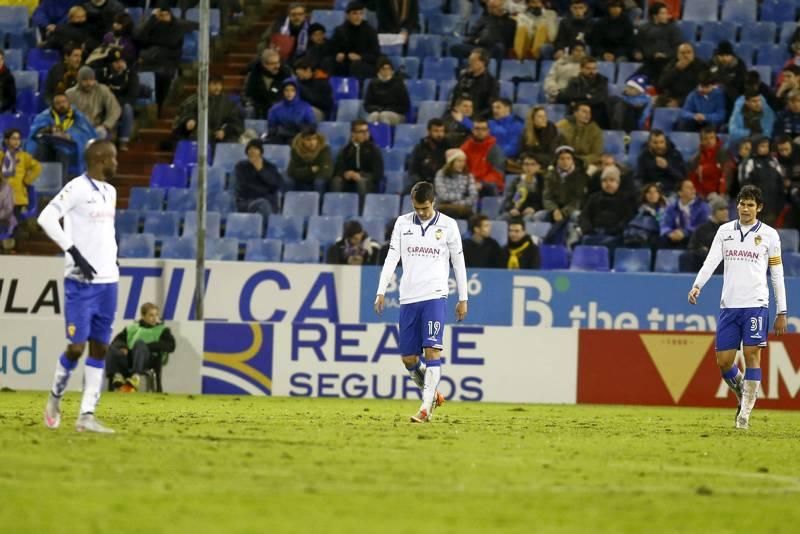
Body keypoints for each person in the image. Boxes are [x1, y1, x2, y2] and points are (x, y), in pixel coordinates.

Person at [688, 185, 788, 430]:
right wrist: (697, 285)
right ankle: (744, 390)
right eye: (742, 204)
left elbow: (777, 274)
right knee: (724, 362)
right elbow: (711, 260)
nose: (745, 208)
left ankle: (744, 416)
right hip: (729, 305)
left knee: (752, 354)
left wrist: (781, 311)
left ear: (759, 208)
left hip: (756, 304)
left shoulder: (769, 235)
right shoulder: (725, 231)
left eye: (750, 205)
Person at [39, 140, 120, 433]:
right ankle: (55, 398)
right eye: (113, 158)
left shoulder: (110, 192)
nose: (116, 163)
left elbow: (105, 233)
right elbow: (46, 218)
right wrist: (73, 252)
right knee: (76, 347)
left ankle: (86, 414)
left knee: (100, 348)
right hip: (81, 283)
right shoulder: (77, 188)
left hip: (108, 281)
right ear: (100, 158)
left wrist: (112, 259)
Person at [374, 181, 468, 423]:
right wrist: (381, 291)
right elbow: (392, 257)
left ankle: (425, 409)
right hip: (408, 297)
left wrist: (463, 297)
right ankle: (432, 392)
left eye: (425, 208)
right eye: (417, 208)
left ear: (433, 202)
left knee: (432, 351)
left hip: (435, 295)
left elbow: (458, 263)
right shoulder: (402, 223)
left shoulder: (448, 225)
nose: (422, 213)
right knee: (409, 359)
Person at [106, 302, 175, 392]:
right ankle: (118, 376)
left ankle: (135, 377)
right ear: (143, 316)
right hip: (129, 358)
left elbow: (171, 345)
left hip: (150, 359)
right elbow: (117, 341)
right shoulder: (131, 328)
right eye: (151, 315)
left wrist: (147, 346)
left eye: (156, 315)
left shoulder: (163, 330)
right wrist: (123, 347)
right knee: (111, 348)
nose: (155, 318)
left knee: (139, 344)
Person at [26, 92, 96, 178]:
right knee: (40, 149)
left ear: (69, 103)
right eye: (58, 103)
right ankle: (39, 183)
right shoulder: (44, 116)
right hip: (48, 145)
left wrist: (69, 135)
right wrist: (49, 130)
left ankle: (63, 185)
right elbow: (35, 132)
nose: (61, 105)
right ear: (53, 105)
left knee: (62, 152)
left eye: (64, 102)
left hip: (71, 147)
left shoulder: (78, 116)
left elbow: (86, 134)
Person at [134, 3, 185, 107]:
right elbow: (139, 38)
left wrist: (151, 50)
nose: (163, 18)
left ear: (170, 16)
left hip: (167, 62)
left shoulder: (176, 29)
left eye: (166, 15)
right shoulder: (153, 25)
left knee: (163, 74)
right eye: (161, 15)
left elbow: (171, 46)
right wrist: (152, 19)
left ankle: (159, 106)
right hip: (149, 62)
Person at [174, 74, 243, 144]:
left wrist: (224, 131)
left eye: (220, 84)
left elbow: (235, 122)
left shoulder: (227, 103)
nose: (218, 87)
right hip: (198, 136)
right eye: (214, 84)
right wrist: (189, 120)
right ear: (206, 85)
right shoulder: (194, 100)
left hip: (219, 138)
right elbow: (185, 114)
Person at [579, 166, 634, 247]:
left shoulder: (625, 198)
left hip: (616, 234)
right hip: (594, 232)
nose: (608, 183)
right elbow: (585, 215)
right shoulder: (593, 197)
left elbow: (628, 218)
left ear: (618, 183)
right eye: (604, 181)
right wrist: (588, 229)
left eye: (612, 180)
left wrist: (616, 230)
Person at [737, 136, 786, 226]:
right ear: (755, 147)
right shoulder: (749, 162)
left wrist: (780, 204)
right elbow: (744, 185)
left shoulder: (773, 161)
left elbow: (781, 182)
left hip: (772, 208)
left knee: (767, 236)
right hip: (754, 209)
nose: (765, 149)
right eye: (762, 146)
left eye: (767, 146)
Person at [96, 49, 138, 151]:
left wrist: (115, 104)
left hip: (122, 104)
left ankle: (124, 141)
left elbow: (132, 96)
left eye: (122, 61)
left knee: (127, 108)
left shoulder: (131, 75)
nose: (120, 65)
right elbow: (98, 92)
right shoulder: (102, 74)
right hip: (105, 104)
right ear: (110, 64)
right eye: (116, 62)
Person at [331, 119, 384, 200]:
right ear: (353, 134)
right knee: (336, 181)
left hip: (367, 181)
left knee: (361, 182)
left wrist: (361, 175)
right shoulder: (346, 150)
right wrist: (346, 174)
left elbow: (378, 174)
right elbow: (338, 169)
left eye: (367, 131)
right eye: (361, 131)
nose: (365, 134)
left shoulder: (374, 150)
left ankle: (361, 210)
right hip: (349, 181)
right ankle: (336, 207)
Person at [66, 66, 121, 141]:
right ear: (78, 80)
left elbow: (115, 109)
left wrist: (105, 125)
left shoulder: (102, 90)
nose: (89, 83)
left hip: (97, 128)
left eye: (91, 79)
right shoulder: (69, 94)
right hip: (76, 128)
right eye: (85, 80)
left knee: (100, 134)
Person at [450, 0, 516, 62]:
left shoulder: (511, 23)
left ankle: (482, 60)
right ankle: (477, 60)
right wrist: (477, 41)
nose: (499, 9)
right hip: (479, 48)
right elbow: (467, 39)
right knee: (455, 48)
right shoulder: (483, 20)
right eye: (492, 7)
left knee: (499, 46)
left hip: (494, 49)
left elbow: (510, 44)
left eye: (497, 7)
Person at [1, 128, 42, 227]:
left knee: (15, 225)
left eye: (18, 139)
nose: (16, 141)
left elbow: (37, 167)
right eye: (13, 138)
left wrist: (27, 180)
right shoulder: (1, 155)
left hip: (17, 197)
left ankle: (14, 239)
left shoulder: (24, 156)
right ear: (6, 140)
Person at [234, 139, 283, 220]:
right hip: (247, 202)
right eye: (249, 149)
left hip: (268, 203)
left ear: (261, 152)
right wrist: (263, 191)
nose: (252, 151)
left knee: (264, 204)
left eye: (255, 149)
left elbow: (275, 185)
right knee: (262, 203)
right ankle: (269, 229)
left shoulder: (270, 167)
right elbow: (243, 187)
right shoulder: (241, 167)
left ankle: (266, 229)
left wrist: (261, 170)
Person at [330, 2, 380, 80]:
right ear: (347, 15)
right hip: (346, 63)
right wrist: (337, 55)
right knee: (328, 62)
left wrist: (360, 57)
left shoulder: (370, 31)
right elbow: (332, 49)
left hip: (365, 64)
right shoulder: (339, 30)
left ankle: (357, 91)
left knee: (356, 65)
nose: (358, 17)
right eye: (355, 13)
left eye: (361, 14)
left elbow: (376, 55)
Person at [633, 2, 682, 81]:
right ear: (655, 16)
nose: (667, 15)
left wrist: (666, 55)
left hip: (666, 61)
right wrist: (637, 51)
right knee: (633, 81)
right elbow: (637, 44)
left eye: (666, 13)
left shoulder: (673, 28)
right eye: (663, 13)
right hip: (648, 60)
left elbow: (678, 46)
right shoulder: (644, 28)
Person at [556, 56, 610, 127]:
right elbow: (565, 96)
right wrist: (585, 96)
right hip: (577, 115)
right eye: (588, 68)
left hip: (596, 113)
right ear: (581, 69)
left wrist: (577, 103)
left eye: (594, 69)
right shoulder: (574, 81)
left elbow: (600, 99)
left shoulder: (602, 80)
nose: (592, 72)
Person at [679, 197, 729, 273]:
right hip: (703, 261)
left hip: (725, 261)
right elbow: (692, 246)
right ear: (713, 212)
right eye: (721, 209)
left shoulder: (731, 229)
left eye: (726, 209)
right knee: (686, 257)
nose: (725, 212)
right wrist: (702, 250)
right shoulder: (702, 229)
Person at [659, 178, 710, 249]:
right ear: (680, 192)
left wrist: (684, 232)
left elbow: (703, 227)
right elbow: (664, 224)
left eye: (693, 187)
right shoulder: (672, 207)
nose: (693, 189)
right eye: (688, 188)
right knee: (661, 239)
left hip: (693, 238)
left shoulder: (703, 207)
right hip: (674, 238)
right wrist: (669, 233)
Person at [461, 117, 506, 196]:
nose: (480, 132)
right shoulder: (465, 147)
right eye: (477, 128)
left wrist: (482, 183)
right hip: (469, 185)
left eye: (483, 129)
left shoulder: (494, 149)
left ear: (488, 131)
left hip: (488, 187)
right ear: (472, 130)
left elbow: (498, 174)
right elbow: (460, 169)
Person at [449, 48, 500, 118]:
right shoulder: (464, 77)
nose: (470, 63)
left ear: (483, 62)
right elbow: (455, 97)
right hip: (457, 114)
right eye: (469, 60)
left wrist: (474, 116)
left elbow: (490, 107)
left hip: (477, 117)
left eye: (473, 60)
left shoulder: (491, 82)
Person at [687, 125, 733, 200]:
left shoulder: (723, 154)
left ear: (716, 138)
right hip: (700, 195)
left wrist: (722, 193)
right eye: (705, 139)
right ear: (701, 141)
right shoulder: (696, 159)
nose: (709, 141)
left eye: (712, 138)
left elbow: (727, 175)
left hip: (719, 195)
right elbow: (692, 179)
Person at [243, 49, 292, 119]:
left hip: (280, 105)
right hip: (259, 107)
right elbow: (246, 94)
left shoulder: (286, 74)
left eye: (278, 62)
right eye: (273, 63)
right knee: (249, 110)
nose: (277, 66)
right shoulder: (254, 74)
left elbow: (292, 94)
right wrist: (250, 103)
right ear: (264, 64)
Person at [265, 79, 316, 144]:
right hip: (280, 137)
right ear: (283, 91)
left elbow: (312, 125)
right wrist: (276, 131)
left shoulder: (305, 107)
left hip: (299, 137)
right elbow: (271, 126)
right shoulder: (275, 108)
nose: (289, 93)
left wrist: (302, 130)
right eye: (286, 90)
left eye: (293, 90)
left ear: (297, 92)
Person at [656, 43, 706, 108]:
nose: (686, 55)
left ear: (693, 54)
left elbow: (699, 90)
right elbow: (661, 84)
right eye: (682, 53)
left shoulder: (700, 66)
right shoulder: (672, 64)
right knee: (656, 101)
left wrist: (679, 102)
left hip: (691, 99)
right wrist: (676, 69)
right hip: (671, 97)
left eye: (689, 52)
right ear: (678, 55)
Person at [363, 57, 410, 126]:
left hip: (397, 114)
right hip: (378, 111)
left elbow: (405, 106)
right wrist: (378, 109)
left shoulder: (398, 83)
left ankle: (384, 136)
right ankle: (370, 136)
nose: (386, 71)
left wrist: (389, 109)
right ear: (379, 70)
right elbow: (367, 105)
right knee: (373, 116)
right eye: (384, 69)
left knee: (384, 115)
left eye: (389, 69)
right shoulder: (373, 83)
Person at [556, 102, 603, 170]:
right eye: (584, 112)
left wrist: (581, 160)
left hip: (585, 163)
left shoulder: (595, 130)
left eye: (589, 113)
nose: (588, 115)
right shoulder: (564, 125)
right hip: (565, 160)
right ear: (575, 113)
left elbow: (596, 154)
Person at [434, 148, 479, 219]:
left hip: (463, 208)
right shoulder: (441, 174)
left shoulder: (468, 175)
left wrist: (459, 203)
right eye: (459, 161)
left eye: (463, 161)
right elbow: (443, 195)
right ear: (451, 162)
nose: (462, 164)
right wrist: (461, 196)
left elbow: (473, 196)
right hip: (444, 208)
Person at [288, 126, 333, 193]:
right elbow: (292, 171)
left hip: (316, 180)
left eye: (314, 139)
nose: (312, 142)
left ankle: (319, 202)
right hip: (301, 180)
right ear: (302, 140)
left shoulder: (324, 149)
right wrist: (310, 170)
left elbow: (326, 171)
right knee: (287, 180)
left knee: (319, 182)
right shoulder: (296, 150)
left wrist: (303, 172)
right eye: (308, 140)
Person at [501, 153, 544, 221]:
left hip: (533, 211)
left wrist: (534, 209)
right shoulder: (517, 181)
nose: (529, 167)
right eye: (526, 164)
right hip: (517, 211)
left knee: (527, 218)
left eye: (532, 164)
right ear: (522, 166)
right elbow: (509, 198)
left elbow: (544, 200)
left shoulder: (543, 182)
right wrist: (512, 208)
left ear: (538, 166)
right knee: (504, 217)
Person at [408, 118, 449, 190]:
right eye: (436, 131)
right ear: (428, 131)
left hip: (443, 185)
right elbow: (413, 171)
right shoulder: (420, 148)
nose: (439, 134)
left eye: (442, 131)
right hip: (423, 184)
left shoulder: (448, 147)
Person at [623, 182, 666, 249]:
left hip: (656, 237)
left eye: (655, 192)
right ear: (645, 195)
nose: (652, 195)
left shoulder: (663, 208)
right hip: (638, 236)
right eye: (649, 192)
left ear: (659, 195)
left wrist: (653, 212)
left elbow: (662, 223)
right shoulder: (639, 208)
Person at [709, 40, 747, 112]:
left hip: (733, 95)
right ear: (717, 55)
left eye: (727, 55)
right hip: (714, 94)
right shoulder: (711, 63)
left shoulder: (740, 65)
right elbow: (706, 78)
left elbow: (741, 83)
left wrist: (724, 86)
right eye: (721, 55)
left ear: (731, 55)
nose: (724, 58)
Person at [294, 57, 334, 122]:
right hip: (300, 109)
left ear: (308, 70)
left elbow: (327, 104)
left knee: (306, 111)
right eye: (297, 75)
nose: (299, 77)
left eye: (300, 75)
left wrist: (306, 94)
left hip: (320, 112)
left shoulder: (322, 83)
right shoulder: (298, 82)